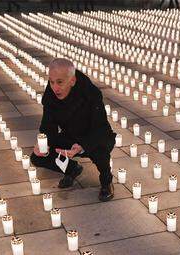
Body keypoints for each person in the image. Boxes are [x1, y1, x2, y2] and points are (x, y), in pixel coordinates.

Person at [30, 58, 116, 202]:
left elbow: (100, 127)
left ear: (72, 81)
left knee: (100, 151)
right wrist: (43, 143)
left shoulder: (91, 94)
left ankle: (107, 182)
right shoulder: (50, 96)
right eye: (51, 82)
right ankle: (72, 169)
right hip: (70, 135)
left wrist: (82, 146)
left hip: (95, 135)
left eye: (60, 82)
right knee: (37, 157)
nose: (54, 88)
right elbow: (48, 125)